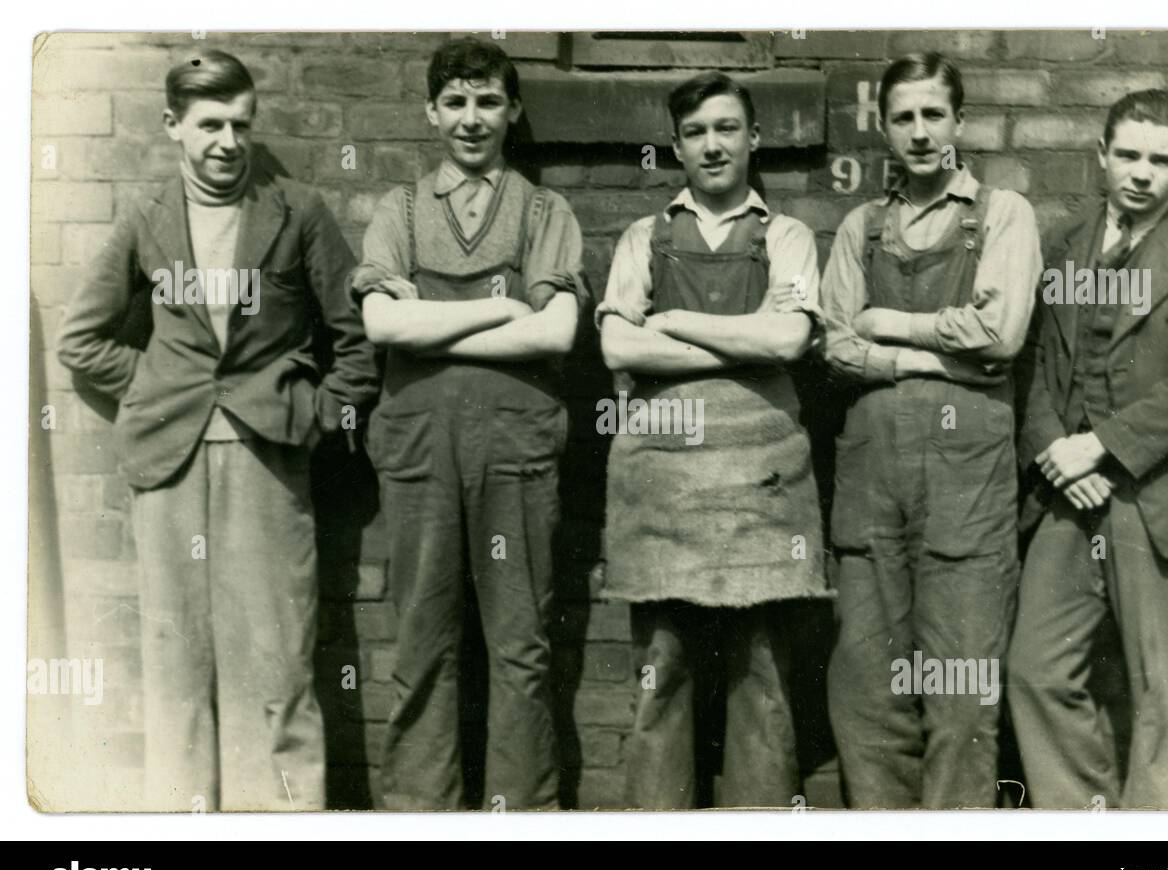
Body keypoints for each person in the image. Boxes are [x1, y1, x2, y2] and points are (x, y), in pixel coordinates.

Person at [57, 50, 379, 811]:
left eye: (241, 124)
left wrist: (317, 415)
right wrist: (155, 389)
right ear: (174, 127)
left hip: (269, 457)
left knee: (276, 661)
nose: (228, 142)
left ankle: (280, 818)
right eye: (210, 125)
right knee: (177, 659)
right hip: (170, 460)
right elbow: (82, 338)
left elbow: (355, 342)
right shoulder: (148, 217)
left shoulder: (296, 210)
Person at [351, 37, 585, 811]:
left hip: (515, 445)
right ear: (430, 111)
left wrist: (434, 318)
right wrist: (499, 305)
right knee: (422, 639)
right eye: (455, 102)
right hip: (419, 446)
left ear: (512, 109)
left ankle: (522, 813)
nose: (472, 118)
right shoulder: (400, 209)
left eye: (488, 101)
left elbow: (556, 334)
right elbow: (383, 327)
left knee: (519, 644)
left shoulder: (546, 211)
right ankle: (422, 812)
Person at [1008, 89, 1168, 810]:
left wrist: (1102, 448)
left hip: (1159, 496)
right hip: (1070, 497)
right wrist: (1057, 450)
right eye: (1130, 155)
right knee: (1034, 669)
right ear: (1102, 155)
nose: (1142, 173)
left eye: (1162, 161)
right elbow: (1040, 369)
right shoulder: (1067, 244)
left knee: (1161, 696)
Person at [599, 71, 831, 809]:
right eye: (696, 132)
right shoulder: (644, 236)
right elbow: (616, 346)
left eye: (727, 128)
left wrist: (674, 323)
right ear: (676, 146)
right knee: (662, 665)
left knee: (759, 667)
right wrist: (742, 343)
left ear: (753, 138)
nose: (713, 145)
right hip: (663, 479)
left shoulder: (787, 235)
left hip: (761, 480)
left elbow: (791, 338)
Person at [820, 52, 1043, 809]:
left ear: (959, 120)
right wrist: (941, 364)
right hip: (872, 480)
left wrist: (891, 324)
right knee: (866, 691)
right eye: (903, 117)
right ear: (883, 126)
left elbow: (1001, 334)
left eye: (933, 115)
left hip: (966, 488)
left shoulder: (1003, 213)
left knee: (961, 692)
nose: (919, 132)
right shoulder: (861, 226)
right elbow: (836, 345)